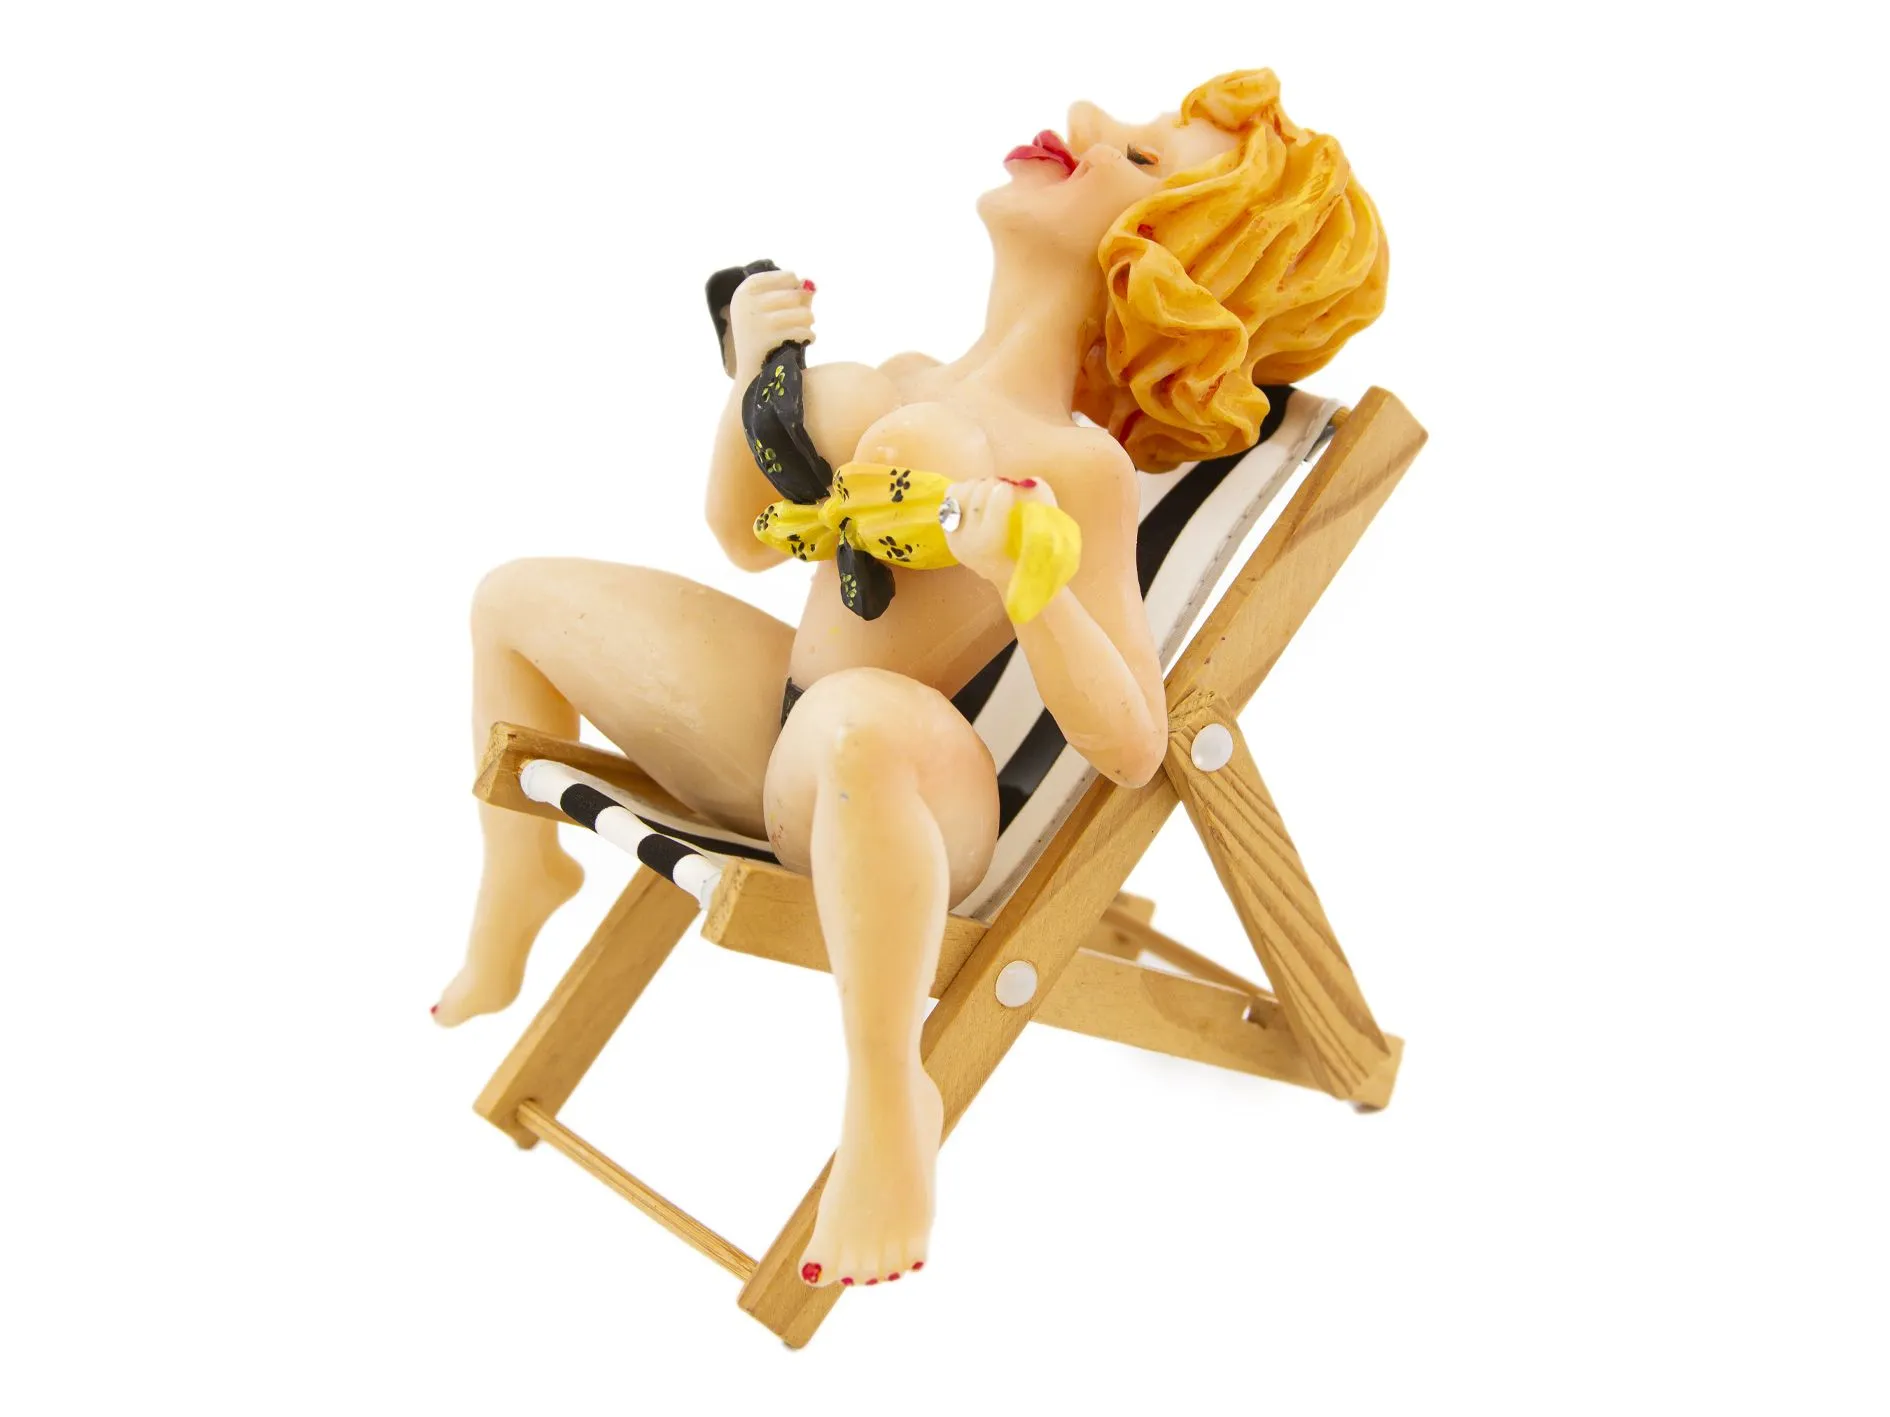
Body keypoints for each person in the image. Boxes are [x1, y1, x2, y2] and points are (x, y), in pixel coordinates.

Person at [440, 69, 1387, 1290]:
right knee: (514, 596)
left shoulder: (1076, 469)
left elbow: (1133, 744)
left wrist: (1029, 582)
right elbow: (742, 536)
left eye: (1144, 158)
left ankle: (890, 1096)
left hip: (911, 790)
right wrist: (753, 381)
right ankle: (525, 873)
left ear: (1158, 268)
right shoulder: (903, 374)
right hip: (784, 738)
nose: (1087, 121)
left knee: (857, 724)